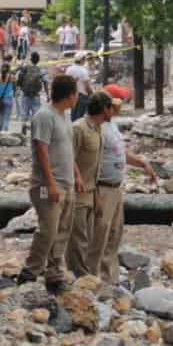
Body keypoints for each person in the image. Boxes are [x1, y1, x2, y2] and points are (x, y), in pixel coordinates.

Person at [16, 75, 80, 295]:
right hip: (47, 185)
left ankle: (54, 275)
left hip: (67, 183)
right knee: (48, 230)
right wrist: (51, 183)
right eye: (76, 93)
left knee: (62, 231)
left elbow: (67, 151)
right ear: (70, 94)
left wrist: (77, 175)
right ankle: (30, 271)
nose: (78, 97)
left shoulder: (64, 117)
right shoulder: (45, 116)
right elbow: (41, 150)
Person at [88, 97, 157, 283]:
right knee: (100, 235)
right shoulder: (96, 130)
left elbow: (120, 154)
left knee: (114, 234)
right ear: (105, 108)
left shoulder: (112, 127)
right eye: (113, 106)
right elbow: (89, 163)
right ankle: (93, 278)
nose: (117, 109)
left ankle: (109, 278)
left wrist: (142, 164)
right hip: (103, 187)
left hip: (116, 187)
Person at [67, 92, 106, 277]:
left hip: (90, 192)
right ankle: (78, 277)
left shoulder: (98, 129)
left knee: (87, 238)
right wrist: (77, 177)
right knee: (77, 238)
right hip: (77, 192)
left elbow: (95, 167)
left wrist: (96, 195)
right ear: (104, 109)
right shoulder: (78, 128)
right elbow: (67, 157)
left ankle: (83, 275)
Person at [18, 52, 48, 134]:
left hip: (25, 94)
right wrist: (48, 94)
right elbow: (45, 81)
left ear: (31, 59)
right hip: (36, 95)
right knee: (36, 112)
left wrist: (20, 87)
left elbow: (19, 78)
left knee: (24, 111)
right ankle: (34, 129)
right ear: (38, 60)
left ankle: (24, 124)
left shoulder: (25, 68)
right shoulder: (41, 69)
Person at [65, 54, 92, 122]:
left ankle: (72, 130)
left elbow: (66, 82)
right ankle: (76, 131)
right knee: (79, 117)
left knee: (73, 115)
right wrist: (91, 94)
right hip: (82, 95)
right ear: (82, 60)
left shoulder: (69, 69)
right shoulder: (83, 71)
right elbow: (86, 86)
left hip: (72, 94)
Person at [0, 64, 16, 133]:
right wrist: (14, 94)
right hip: (8, 98)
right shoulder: (12, 77)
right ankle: (5, 129)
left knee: (1, 116)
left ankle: (3, 129)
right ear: (9, 70)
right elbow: (14, 88)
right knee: (7, 116)